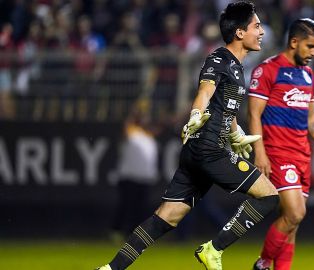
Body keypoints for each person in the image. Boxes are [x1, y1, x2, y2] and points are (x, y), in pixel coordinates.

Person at [96, 2, 279, 270]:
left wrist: (235, 133)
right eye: (257, 26)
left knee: (166, 217)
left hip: (201, 150)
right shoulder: (219, 58)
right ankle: (213, 249)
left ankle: (111, 269)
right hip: (209, 149)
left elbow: (223, 106)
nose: (262, 32)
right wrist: (195, 115)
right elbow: (205, 92)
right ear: (240, 33)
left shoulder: (238, 68)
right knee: (269, 196)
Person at [248, 18, 314, 270]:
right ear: (294, 42)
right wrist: (260, 152)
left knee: (292, 225)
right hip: (278, 153)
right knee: (295, 213)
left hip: (302, 155)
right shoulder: (267, 70)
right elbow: (254, 114)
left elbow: (312, 119)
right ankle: (263, 262)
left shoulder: (308, 75)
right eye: (310, 47)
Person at [110, 104, 159, 242]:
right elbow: (126, 128)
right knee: (126, 206)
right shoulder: (132, 132)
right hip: (129, 177)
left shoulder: (148, 136)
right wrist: (134, 114)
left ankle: (134, 234)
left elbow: (160, 126)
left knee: (141, 209)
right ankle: (116, 231)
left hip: (145, 178)